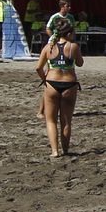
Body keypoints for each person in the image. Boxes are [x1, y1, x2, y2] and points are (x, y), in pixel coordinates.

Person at [36, 17, 84, 158]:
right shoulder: (73, 46)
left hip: (52, 83)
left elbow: (38, 68)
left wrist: (44, 80)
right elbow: (80, 63)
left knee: (50, 120)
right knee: (66, 120)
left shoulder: (49, 47)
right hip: (69, 84)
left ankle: (54, 151)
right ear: (68, 34)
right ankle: (66, 150)